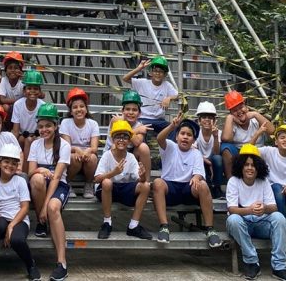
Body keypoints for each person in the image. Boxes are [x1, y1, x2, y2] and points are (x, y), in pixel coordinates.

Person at [226, 144, 286, 281]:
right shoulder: (234, 181)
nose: (250, 168)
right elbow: (232, 209)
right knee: (233, 219)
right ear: (241, 166)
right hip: (242, 223)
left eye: (253, 165)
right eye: (246, 164)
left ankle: (279, 267)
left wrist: (264, 208)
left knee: (279, 217)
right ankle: (252, 262)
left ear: (258, 167)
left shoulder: (263, 181)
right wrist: (249, 210)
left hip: (261, 222)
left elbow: (273, 207)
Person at [151, 115, 222, 247]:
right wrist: (172, 126)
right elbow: (160, 138)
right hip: (170, 188)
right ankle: (164, 226)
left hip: (187, 189)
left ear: (193, 140)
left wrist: (196, 177)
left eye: (189, 135)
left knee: (203, 185)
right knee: (157, 183)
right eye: (182, 133)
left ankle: (210, 229)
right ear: (176, 136)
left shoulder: (196, 153)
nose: (185, 137)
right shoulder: (170, 147)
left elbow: (199, 173)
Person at [0, 144, 40, 281]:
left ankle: (31, 265)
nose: (10, 166)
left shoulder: (20, 181)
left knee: (16, 240)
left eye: (14, 163)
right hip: (0, 218)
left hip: (19, 219)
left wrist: (11, 226)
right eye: (6, 162)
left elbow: (24, 208)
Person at [27, 103, 71, 281]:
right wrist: (40, 170)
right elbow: (30, 172)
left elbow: (57, 177)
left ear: (55, 126)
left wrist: (45, 206)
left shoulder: (64, 145)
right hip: (41, 184)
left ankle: (62, 263)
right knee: (36, 179)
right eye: (41, 126)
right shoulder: (36, 144)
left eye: (48, 126)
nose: (44, 129)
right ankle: (41, 222)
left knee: (53, 208)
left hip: (58, 184)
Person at [94, 120, 151, 241]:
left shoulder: (130, 157)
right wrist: (113, 173)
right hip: (107, 190)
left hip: (124, 189)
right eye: (118, 136)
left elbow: (140, 179)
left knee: (145, 185)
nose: (121, 140)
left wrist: (143, 175)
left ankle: (133, 225)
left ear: (129, 140)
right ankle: (107, 223)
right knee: (107, 182)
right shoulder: (107, 155)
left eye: (125, 137)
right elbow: (96, 179)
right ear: (113, 139)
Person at [221, 91, 275, 181]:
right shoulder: (232, 124)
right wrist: (229, 118)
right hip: (240, 154)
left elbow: (272, 131)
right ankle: (231, 182)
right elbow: (226, 139)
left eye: (241, 107)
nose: (239, 112)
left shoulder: (255, 120)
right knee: (225, 147)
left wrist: (255, 114)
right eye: (234, 110)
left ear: (246, 106)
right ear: (230, 112)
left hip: (258, 152)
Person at [121, 56, 179, 134]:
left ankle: (166, 146)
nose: (158, 73)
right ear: (151, 72)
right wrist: (139, 68)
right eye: (155, 71)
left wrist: (169, 98)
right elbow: (125, 78)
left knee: (173, 128)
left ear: (165, 74)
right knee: (140, 132)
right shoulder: (142, 83)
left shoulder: (167, 85)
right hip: (143, 119)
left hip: (159, 120)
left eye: (161, 71)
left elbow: (180, 96)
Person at [59, 88, 99, 199]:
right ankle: (68, 183)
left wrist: (87, 151)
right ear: (70, 111)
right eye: (75, 107)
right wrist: (77, 150)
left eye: (82, 106)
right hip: (72, 157)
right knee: (74, 157)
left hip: (87, 156)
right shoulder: (66, 123)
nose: (79, 109)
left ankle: (89, 184)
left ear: (86, 109)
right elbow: (66, 146)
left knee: (93, 158)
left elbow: (94, 148)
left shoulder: (93, 124)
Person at [106, 90, 152, 183]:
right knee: (116, 145)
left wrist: (135, 129)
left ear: (139, 113)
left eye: (134, 110)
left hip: (130, 156)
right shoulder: (116, 120)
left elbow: (137, 142)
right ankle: (114, 181)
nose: (131, 112)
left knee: (144, 147)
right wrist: (137, 130)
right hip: (112, 154)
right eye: (127, 109)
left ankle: (146, 183)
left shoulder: (140, 125)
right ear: (122, 111)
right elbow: (119, 139)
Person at [11, 71, 45, 162]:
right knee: (25, 140)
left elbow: (44, 129)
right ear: (24, 91)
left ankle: (26, 171)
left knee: (30, 140)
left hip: (39, 136)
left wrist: (35, 137)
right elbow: (15, 131)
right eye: (29, 88)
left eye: (36, 88)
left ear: (40, 91)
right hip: (23, 136)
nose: (32, 91)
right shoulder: (18, 104)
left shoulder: (42, 106)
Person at [195, 101, 223, 198]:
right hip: (200, 161)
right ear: (199, 120)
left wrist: (215, 137)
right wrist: (206, 161)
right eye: (204, 117)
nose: (207, 120)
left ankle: (217, 187)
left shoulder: (218, 133)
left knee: (218, 159)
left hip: (212, 160)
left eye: (210, 117)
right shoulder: (196, 132)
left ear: (214, 120)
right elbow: (194, 151)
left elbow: (216, 153)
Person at [0, 51, 26, 125]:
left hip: (20, 108)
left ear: (20, 71)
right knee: (5, 107)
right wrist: (19, 100)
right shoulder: (3, 81)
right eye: (10, 68)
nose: (13, 70)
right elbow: (2, 100)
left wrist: (26, 80)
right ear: (6, 71)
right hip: (8, 109)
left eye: (16, 68)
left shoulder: (23, 83)